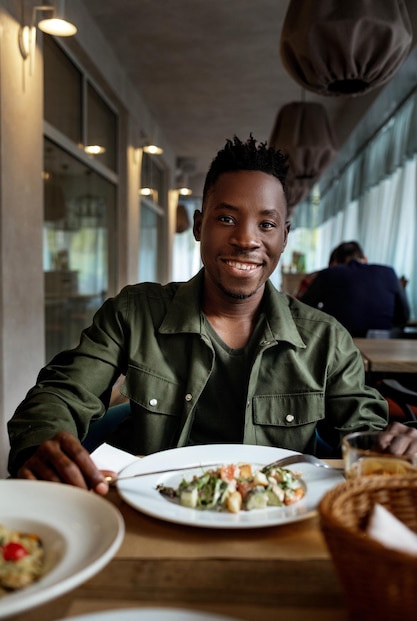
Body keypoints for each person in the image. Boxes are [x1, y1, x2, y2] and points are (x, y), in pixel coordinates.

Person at [7, 137, 417, 495]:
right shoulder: (134, 313)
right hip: (151, 514)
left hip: (277, 521)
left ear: (284, 237)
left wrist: (391, 443)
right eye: (226, 218)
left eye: (267, 224)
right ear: (199, 225)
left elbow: (365, 430)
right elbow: (61, 393)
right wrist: (43, 441)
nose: (246, 239)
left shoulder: (327, 339)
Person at [300, 241, 410, 337]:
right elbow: (403, 316)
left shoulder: (329, 274)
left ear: (335, 263)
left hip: (339, 347)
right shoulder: (389, 272)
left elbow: (302, 311)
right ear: (365, 259)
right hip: (382, 347)